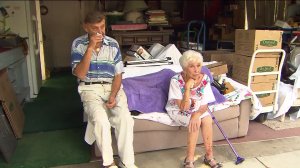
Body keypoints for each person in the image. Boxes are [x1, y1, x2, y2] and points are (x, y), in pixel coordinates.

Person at [71, 11, 137, 168]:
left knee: (126, 119)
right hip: (89, 88)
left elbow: (118, 75)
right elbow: (79, 74)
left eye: (102, 27)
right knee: (101, 121)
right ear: (86, 27)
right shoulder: (78, 44)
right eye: (95, 28)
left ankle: (127, 163)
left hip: (112, 87)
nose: (100, 32)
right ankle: (109, 163)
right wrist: (90, 48)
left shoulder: (113, 44)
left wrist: (113, 95)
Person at [165, 50, 222, 168]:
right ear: (184, 68)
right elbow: (183, 107)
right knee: (195, 120)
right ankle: (189, 159)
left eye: (198, 66)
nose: (196, 70)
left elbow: (205, 104)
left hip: (198, 109)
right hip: (178, 110)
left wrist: (197, 113)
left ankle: (209, 156)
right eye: (191, 66)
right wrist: (187, 88)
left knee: (206, 119)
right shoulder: (175, 80)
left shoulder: (205, 78)